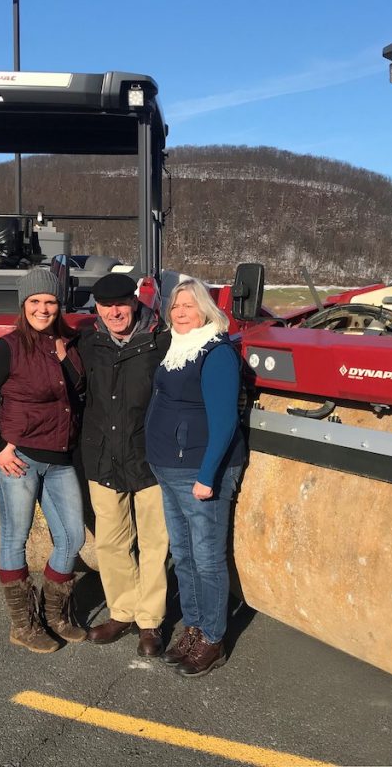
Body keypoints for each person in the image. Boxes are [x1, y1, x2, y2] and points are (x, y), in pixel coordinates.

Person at [0, 269, 87, 653]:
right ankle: (23, 624)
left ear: (58, 305)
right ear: (23, 305)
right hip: (21, 459)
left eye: (50, 302)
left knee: (72, 538)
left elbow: (76, 395)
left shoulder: (68, 344)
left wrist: (67, 360)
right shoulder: (9, 347)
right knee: (15, 538)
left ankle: (53, 615)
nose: (43, 308)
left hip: (61, 457)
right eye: (35, 302)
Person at [145, 278, 245, 677]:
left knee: (206, 559)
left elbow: (224, 421)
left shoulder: (216, 352)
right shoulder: (176, 348)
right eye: (175, 306)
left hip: (199, 471)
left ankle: (214, 638)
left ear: (205, 309)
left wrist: (208, 475)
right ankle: (194, 626)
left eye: (189, 305)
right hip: (168, 468)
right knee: (183, 555)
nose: (180, 312)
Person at [79, 273, 172, 657]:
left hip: (149, 456)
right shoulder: (88, 342)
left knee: (154, 543)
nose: (114, 312)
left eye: (120, 304)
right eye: (106, 305)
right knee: (112, 543)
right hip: (102, 456)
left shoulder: (161, 342)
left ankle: (149, 621)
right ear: (97, 307)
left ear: (134, 302)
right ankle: (122, 611)